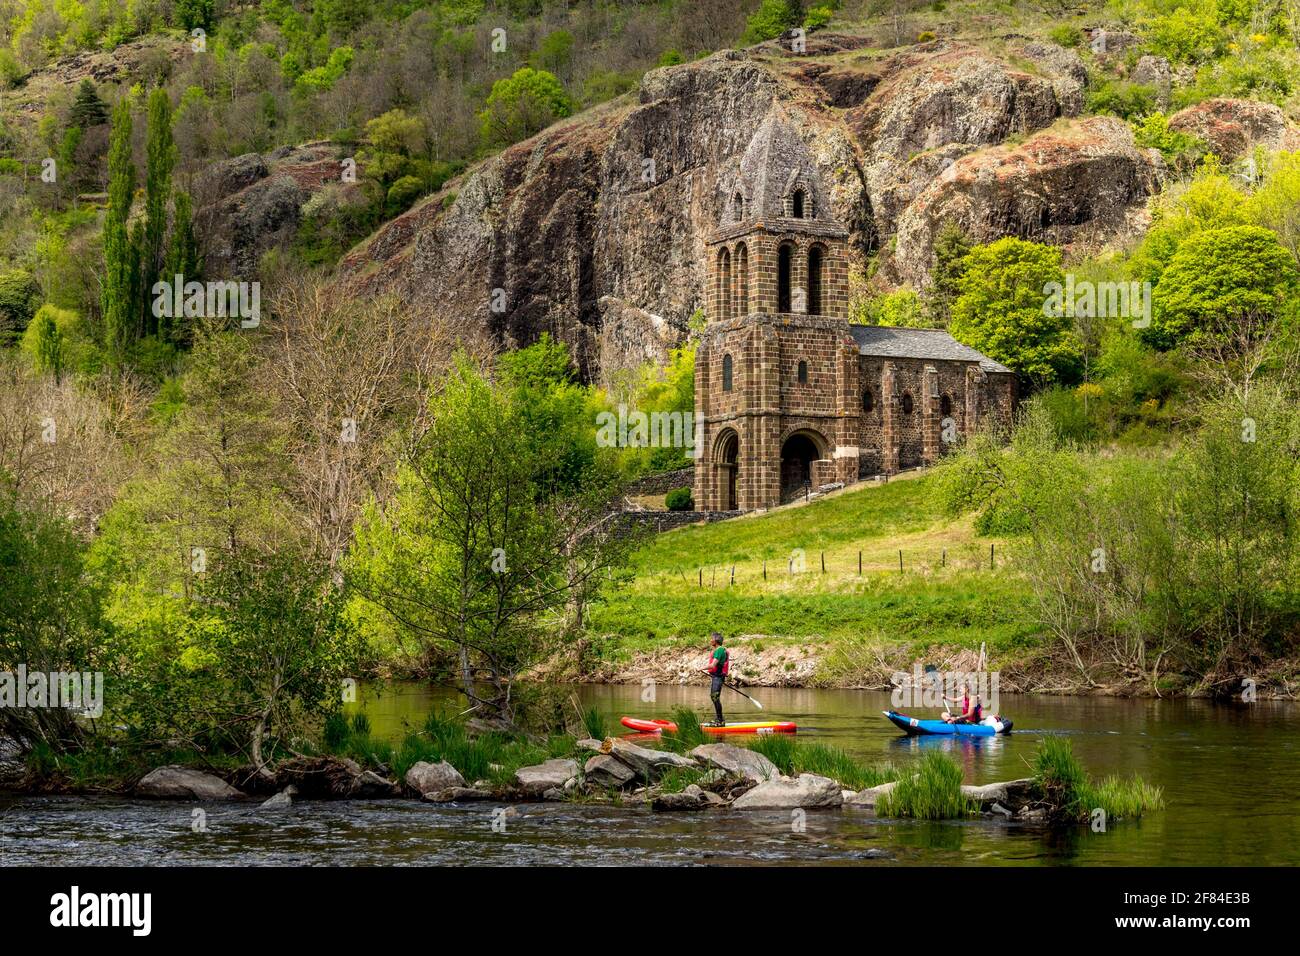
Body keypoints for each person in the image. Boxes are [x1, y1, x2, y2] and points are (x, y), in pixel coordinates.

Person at [702, 632, 729, 727]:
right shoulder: (719, 649)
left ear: (716, 640)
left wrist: (701, 668)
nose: (710, 640)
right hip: (716, 676)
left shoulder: (719, 650)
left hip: (718, 677)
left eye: (711, 639)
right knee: (714, 697)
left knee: (715, 697)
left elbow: (713, 665)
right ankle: (719, 719)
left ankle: (720, 721)